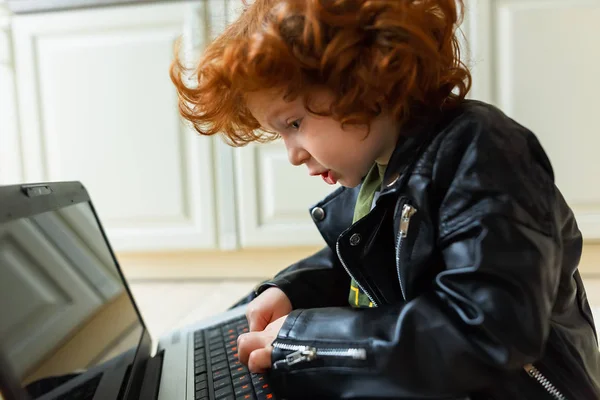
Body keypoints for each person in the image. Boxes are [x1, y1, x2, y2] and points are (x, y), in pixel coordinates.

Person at [170, 0, 600, 398]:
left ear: (364, 78)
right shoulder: (381, 170)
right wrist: (290, 291)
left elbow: (488, 331)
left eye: (294, 123)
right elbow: (365, 263)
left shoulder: (484, 153)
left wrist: (308, 337)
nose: (293, 154)